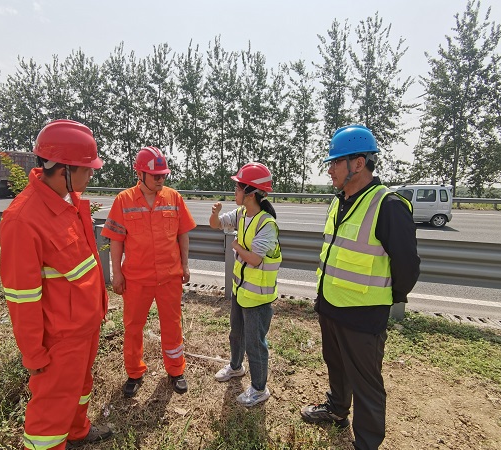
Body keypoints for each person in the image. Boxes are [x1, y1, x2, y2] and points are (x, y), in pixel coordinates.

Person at [300, 125, 420, 450]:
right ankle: (337, 410)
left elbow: (407, 267)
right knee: (335, 365)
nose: (329, 169)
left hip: (364, 314)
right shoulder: (339, 201)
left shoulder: (388, 205)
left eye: (335, 162)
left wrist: (385, 299)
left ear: (358, 163)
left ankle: (366, 442)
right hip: (330, 304)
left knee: (367, 384)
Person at [0, 119, 113, 450]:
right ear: (63, 169)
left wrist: (98, 309)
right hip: (60, 340)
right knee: (50, 413)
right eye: (86, 169)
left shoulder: (67, 201)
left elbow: (83, 265)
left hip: (85, 326)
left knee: (80, 388)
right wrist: (33, 353)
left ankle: (77, 431)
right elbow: (21, 297)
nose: (90, 176)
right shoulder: (23, 220)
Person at [101, 146, 196, 398]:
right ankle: (134, 372)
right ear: (140, 174)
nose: (161, 179)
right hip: (136, 278)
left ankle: (176, 370)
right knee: (133, 327)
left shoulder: (174, 198)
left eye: (163, 175)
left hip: (169, 277)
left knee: (172, 325)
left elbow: (183, 234)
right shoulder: (124, 200)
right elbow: (116, 240)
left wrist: (185, 265)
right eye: (156, 176)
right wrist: (116, 273)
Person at [209, 162, 282, 407]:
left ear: (250, 193)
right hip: (241, 291)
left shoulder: (266, 224)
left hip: (258, 298)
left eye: (238, 188)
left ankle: (259, 389)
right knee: (236, 334)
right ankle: (235, 366)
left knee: (255, 344)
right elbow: (216, 224)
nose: (235, 192)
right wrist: (215, 214)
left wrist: (236, 246)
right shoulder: (241, 214)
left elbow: (254, 259)